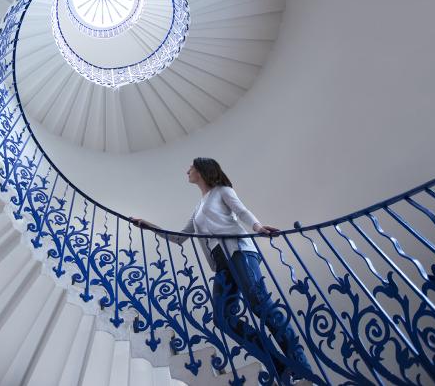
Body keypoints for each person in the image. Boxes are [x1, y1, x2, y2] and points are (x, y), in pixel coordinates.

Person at [131, 157, 314, 384]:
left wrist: (257, 227)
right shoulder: (198, 207)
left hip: (239, 251)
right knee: (222, 318)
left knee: (259, 303)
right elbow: (179, 238)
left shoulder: (222, 191)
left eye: (191, 167)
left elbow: (242, 211)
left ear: (202, 170)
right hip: (221, 263)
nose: (187, 170)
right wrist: (149, 226)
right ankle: (278, 362)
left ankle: (301, 364)